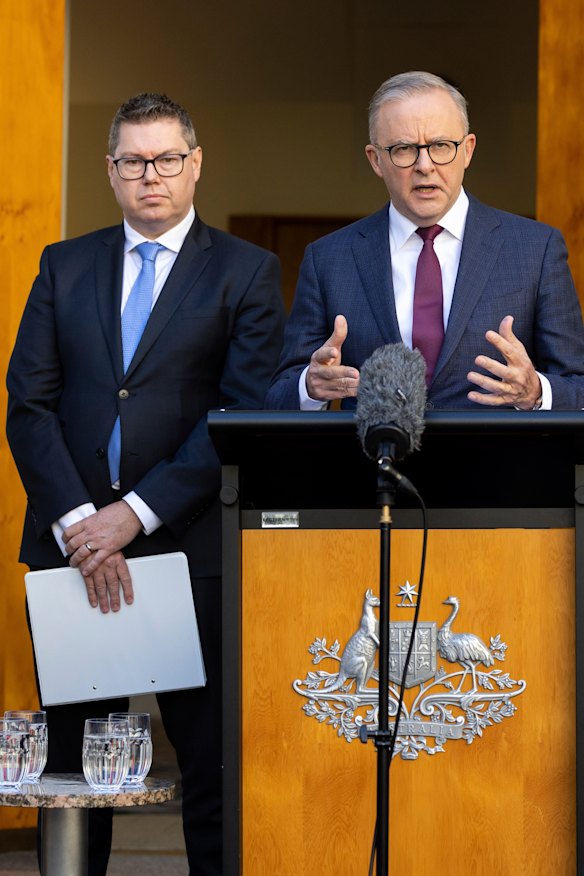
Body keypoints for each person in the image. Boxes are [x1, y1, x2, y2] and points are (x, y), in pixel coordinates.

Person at [6, 92, 285, 876]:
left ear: (195, 165)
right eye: (133, 161)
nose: (150, 176)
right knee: (70, 779)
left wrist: (131, 516)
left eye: (167, 159)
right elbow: (28, 405)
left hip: (190, 555)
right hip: (73, 558)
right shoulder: (65, 265)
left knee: (209, 777)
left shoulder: (247, 273)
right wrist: (82, 526)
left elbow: (240, 413)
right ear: (111, 170)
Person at [265, 71, 584, 411]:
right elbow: (279, 395)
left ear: (468, 150)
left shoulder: (535, 249)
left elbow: (577, 386)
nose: (425, 165)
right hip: (374, 461)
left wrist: (535, 392)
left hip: (495, 460)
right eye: (403, 149)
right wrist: (310, 387)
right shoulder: (329, 258)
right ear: (376, 160)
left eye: (441, 146)